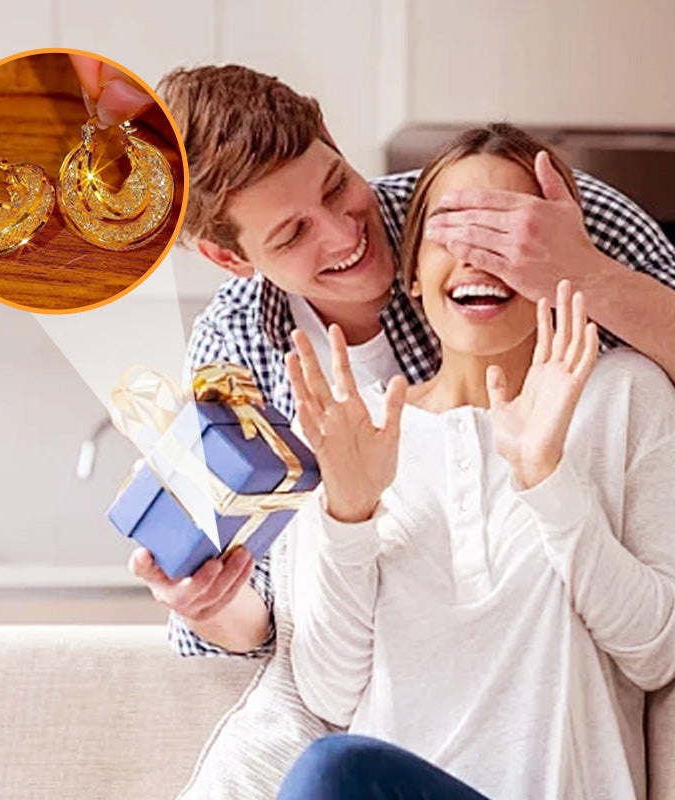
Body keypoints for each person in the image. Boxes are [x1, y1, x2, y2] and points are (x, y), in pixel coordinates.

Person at [87, 63, 675, 658]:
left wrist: (589, 275)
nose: (343, 236)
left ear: (330, 136)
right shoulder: (236, 350)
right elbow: (268, 621)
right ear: (227, 257)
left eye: (336, 186)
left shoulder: (514, 212)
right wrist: (211, 605)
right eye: (293, 235)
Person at [277, 123, 675, 800]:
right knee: (329, 770)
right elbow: (329, 692)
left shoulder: (622, 394)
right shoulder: (353, 427)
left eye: (505, 231)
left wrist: (548, 478)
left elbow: (656, 655)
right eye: (452, 228)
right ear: (410, 274)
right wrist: (349, 512)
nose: (478, 256)